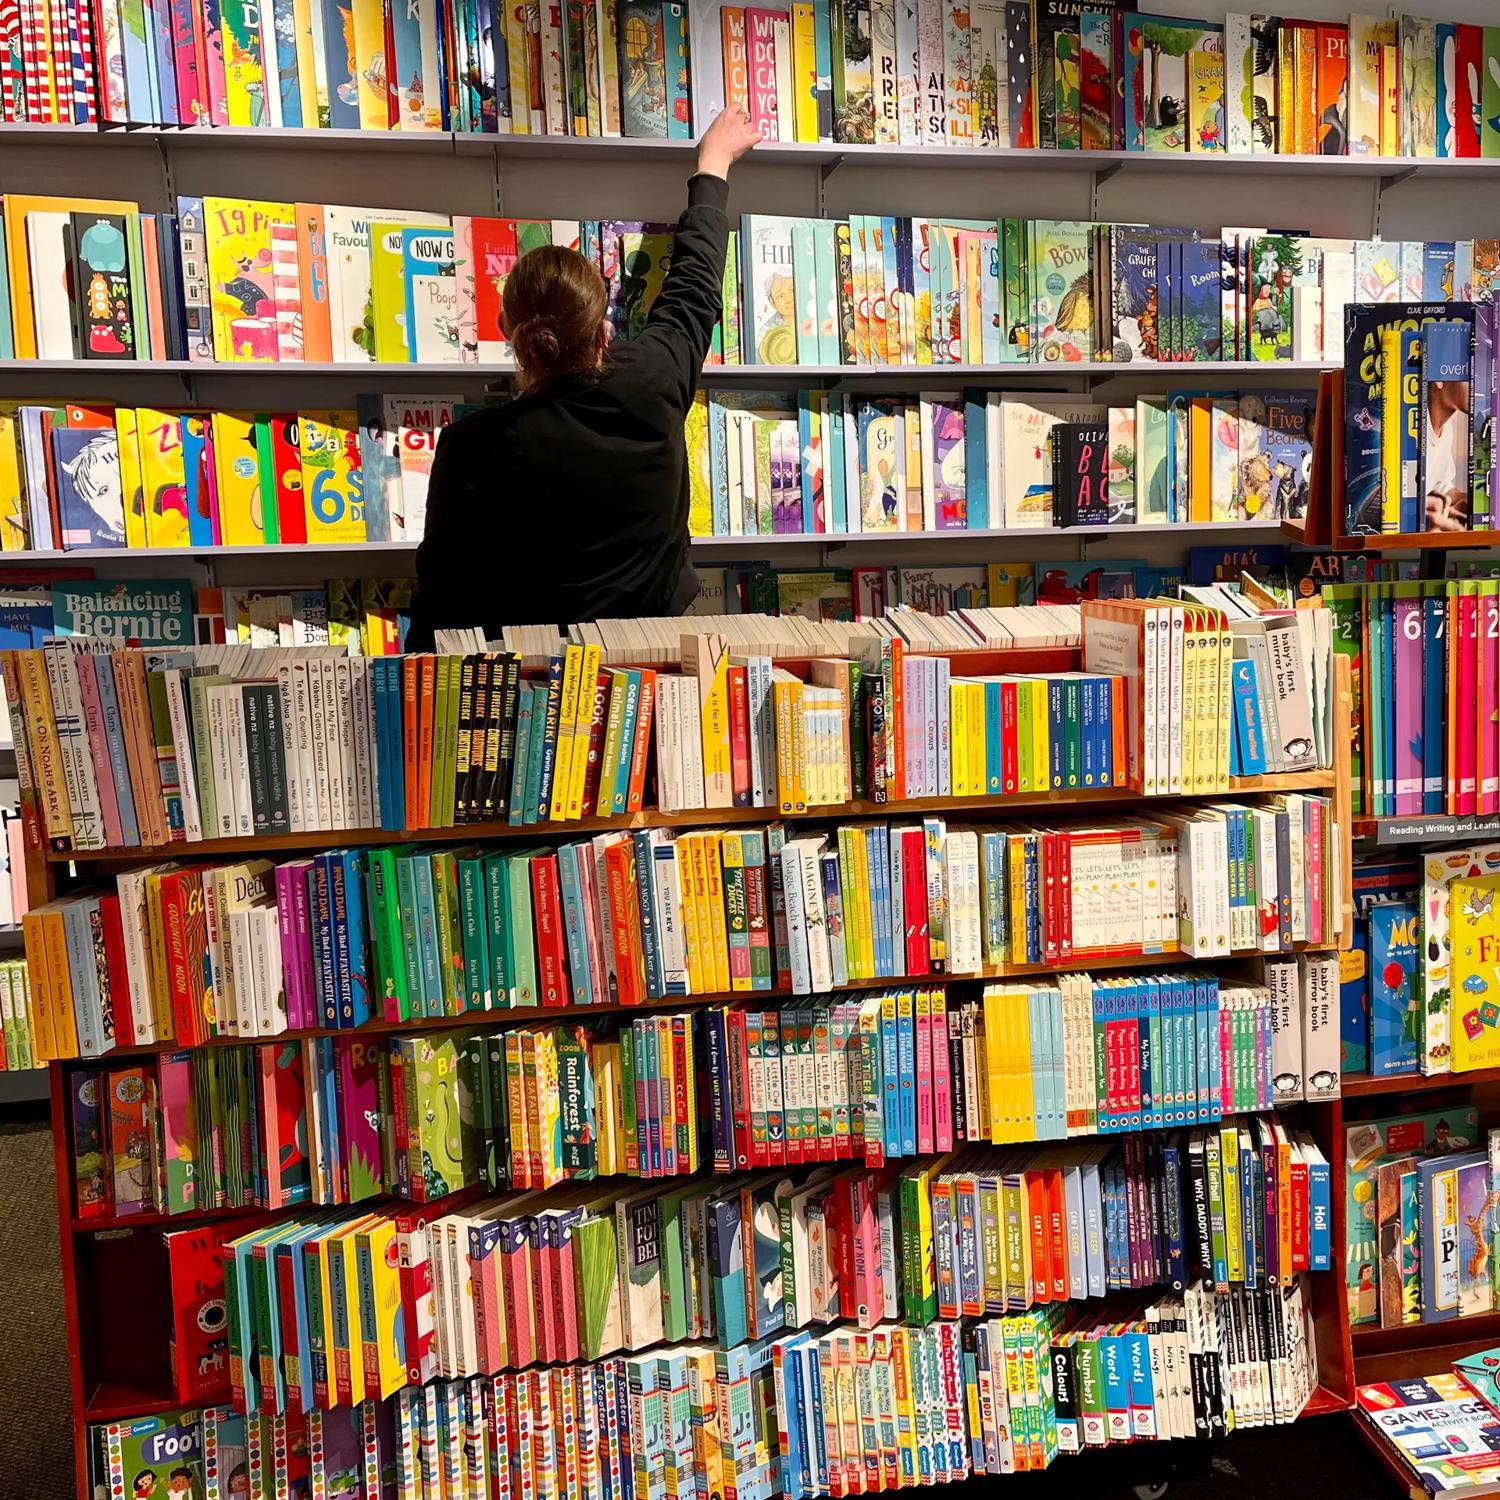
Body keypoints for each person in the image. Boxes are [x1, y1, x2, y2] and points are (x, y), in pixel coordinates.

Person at [404, 107, 761, 651]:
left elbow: (441, 601)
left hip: (532, 696)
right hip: (653, 680)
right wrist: (713, 162)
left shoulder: (474, 446)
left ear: (508, 332)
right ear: (603, 334)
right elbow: (696, 286)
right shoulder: (655, 379)